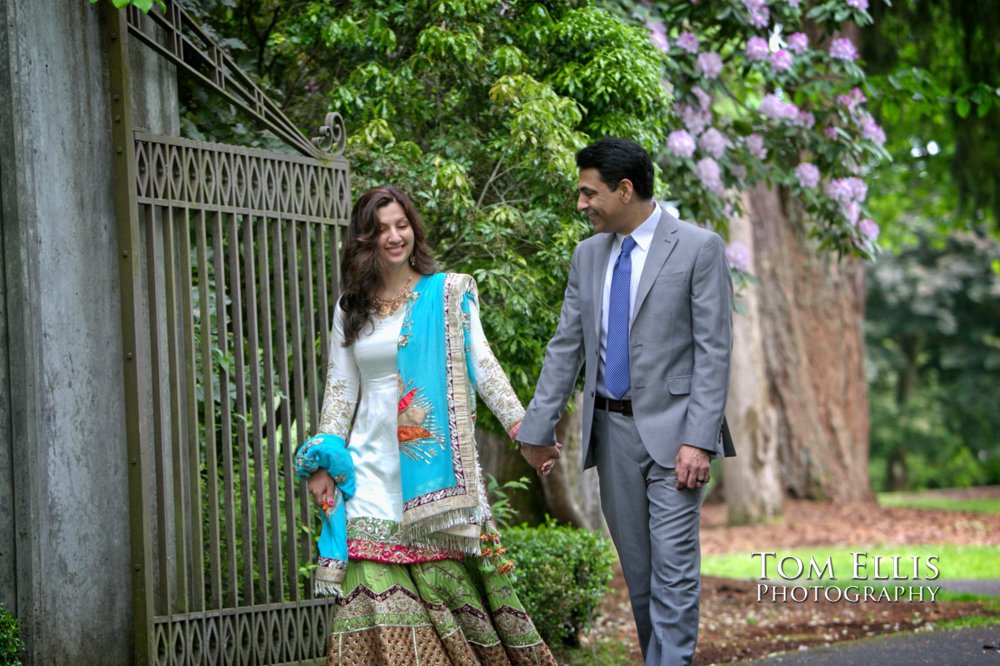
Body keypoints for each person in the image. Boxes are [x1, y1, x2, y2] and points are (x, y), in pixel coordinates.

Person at [294, 185, 557, 666]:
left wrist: (526, 431)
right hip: (368, 473)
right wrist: (321, 462)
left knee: (448, 608)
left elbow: (484, 365)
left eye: (402, 225)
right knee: (368, 595)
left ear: (414, 228)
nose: (395, 237)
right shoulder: (351, 308)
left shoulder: (447, 293)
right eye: (381, 229)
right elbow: (340, 391)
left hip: (432, 474)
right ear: (364, 239)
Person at [516, 138, 735, 665]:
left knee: (674, 572)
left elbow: (714, 350)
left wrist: (698, 441)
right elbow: (566, 345)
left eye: (589, 193)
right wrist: (537, 429)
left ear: (625, 189)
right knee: (639, 576)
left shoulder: (698, 248)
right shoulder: (588, 255)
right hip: (611, 435)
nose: (581, 204)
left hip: (678, 439)